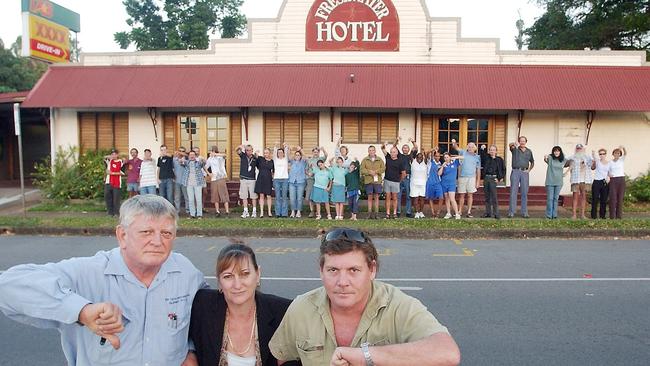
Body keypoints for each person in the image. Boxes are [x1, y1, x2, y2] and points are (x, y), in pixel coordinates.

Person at [0, 195, 207, 365]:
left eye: (166, 233)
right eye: (146, 232)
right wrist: (82, 310)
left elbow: (204, 317)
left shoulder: (186, 273)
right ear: (122, 235)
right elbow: (8, 285)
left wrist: (191, 351)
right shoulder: (89, 273)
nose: (157, 241)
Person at [268, 228, 460, 366]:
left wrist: (365, 356)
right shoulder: (302, 308)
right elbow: (282, 358)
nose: (342, 281)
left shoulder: (397, 305)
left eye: (353, 270)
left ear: (372, 270)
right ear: (321, 271)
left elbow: (447, 353)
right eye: (333, 270)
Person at [189, 243, 298, 366]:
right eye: (228, 276)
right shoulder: (202, 306)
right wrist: (189, 351)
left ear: (258, 274)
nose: (237, 285)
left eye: (244, 274)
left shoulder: (283, 312)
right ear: (219, 282)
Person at [383, 137, 418, 217]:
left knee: (408, 196)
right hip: (398, 178)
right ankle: (397, 212)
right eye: (404, 148)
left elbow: (416, 147)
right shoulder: (399, 156)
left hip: (408, 178)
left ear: (409, 149)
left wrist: (412, 141)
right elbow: (394, 147)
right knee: (398, 196)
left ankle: (408, 212)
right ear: (402, 149)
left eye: (406, 148)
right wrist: (397, 140)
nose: (405, 149)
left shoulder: (411, 155)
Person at [452, 140, 481, 218]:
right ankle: (460, 211)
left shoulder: (477, 157)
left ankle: (469, 212)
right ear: (467, 147)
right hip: (462, 177)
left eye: (472, 147)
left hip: (472, 178)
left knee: (470, 195)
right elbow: (456, 148)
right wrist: (454, 142)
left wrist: (478, 181)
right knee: (461, 195)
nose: (470, 148)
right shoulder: (463, 152)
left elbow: (478, 170)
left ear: (475, 148)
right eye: (469, 147)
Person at [508, 136, 535, 218]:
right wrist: (514, 144)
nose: (522, 142)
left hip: (524, 173)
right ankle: (512, 212)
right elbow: (510, 145)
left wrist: (529, 170)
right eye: (521, 141)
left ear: (526, 142)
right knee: (513, 192)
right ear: (519, 142)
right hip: (515, 171)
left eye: (524, 141)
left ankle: (524, 212)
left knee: (524, 192)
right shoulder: (515, 149)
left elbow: (532, 162)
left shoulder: (529, 151)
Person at [480, 144, 506, 219]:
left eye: (493, 150)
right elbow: (482, 154)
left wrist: (499, 178)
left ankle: (496, 213)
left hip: (493, 179)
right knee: (487, 197)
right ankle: (488, 213)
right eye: (490, 150)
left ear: (496, 151)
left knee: (494, 197)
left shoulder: (499, 159)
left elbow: (503, 169)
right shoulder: (486, 158)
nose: (492, 151)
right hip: (486, 178)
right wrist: (482, 148)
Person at [568, 144, 593, 219]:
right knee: (575, 197)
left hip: (585, 180)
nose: (579, 150)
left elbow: (592, 163)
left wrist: (586, 151)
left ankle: (582, 215)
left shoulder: (587, 157)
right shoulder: (572, 157)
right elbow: (565, 160)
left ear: (582, 149)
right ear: (576, 149)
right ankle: (574, 215)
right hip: (575, 180)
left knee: (583, 196)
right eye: (577, 148)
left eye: (580, 148)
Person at [360, 146, 385, 219]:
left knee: (376, 197)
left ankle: (376, 214)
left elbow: (383, 168)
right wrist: (369, 172)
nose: (371, 151)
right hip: (369, 181)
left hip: (377, 182)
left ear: (375, 151)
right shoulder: (365, 160)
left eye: (373, 150)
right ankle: (369, 214)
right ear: (368, 151)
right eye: (370, 150)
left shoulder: (379, 159)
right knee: (370, 198)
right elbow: (362, 170)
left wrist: (376, 172)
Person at [544, 146, 568, 219]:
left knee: (555, 198)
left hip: (559, 182)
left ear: (560, 152)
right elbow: (545, 158)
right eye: (555, 151)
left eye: (558, 151)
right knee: (550, 198)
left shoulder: (563, 160)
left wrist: (567, 172)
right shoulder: (550, 158)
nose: (556, 152)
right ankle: (549, 215)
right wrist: (545, 157)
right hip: (550, 181)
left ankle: (554, 215)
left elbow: (571, 163)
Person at [181, 150, 207, 219]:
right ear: (189, 156)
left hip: (198, 183)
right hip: (189, 184)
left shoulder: (198, 163)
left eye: (193, 155)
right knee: (191, 199)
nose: (192, 156)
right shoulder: (186, 163)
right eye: (190, 155)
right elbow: (181, 162)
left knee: (198, 199)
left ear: (195, 156)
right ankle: (192, 214)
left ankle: (199, 214)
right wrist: (182, 158)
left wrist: (203, 159)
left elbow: (204, 163)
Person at [383, 146, 406, 219]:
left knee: (395, 198)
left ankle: (395, 213)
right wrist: (384, 144)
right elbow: (382, 148)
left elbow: (403, 173)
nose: (392, 153)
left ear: (397, 153)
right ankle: (387, 213)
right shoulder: (388, 157)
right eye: (391, 152)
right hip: (387, 181)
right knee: (388, 197)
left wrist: (399, 180)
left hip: (396, 182)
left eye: (394, 152)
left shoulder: (400, 161)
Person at [206, 146, 230, 217]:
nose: (213, 152)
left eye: (214, 150)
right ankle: (217, 211)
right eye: (212, 150)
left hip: (221, 177)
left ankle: (227, 211)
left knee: (224, 194)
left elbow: (225, 155)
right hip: (214, 178)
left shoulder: (220, 157)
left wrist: (216, 154)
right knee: (215, 195)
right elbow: (205, 166)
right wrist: (209, 174)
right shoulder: (210, 159)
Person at [305, 146, 328, 218]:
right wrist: (308, 174)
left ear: (318, 153)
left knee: (318, 195)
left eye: (317, 152)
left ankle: (319, 212)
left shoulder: (321, 159)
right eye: (314, 152)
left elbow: (326, 155)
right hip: (311, 179)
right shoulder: (309, 160)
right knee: (310, 195)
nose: (315, 153)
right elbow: (306, 169)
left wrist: (323, 149)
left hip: (319, 180)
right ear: (312, 152)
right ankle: (312, 211)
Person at [237, 144, 258, 218]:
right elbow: (237, 150)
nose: (248, 151)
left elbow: (259, 166)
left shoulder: (255, 158)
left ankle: (254, 211)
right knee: (244, 196)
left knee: (253, 196)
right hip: (243, 179)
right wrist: (240, 147)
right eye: (247, 150)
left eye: (250, 150)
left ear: (252, 150)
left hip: (252, 179)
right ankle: (245, 211)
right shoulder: (243, 155)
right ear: (245, 151)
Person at [439, 152, 461, 220]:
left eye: (447, 157)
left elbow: (463, 157)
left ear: (449, 157)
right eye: (445, 157)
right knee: (447, 199)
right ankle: (448, 213)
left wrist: (454, 157)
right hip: (444, 183)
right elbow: (439, 174)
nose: (446, 159)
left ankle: (457, 213)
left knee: (452, 199)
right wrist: (442, 166)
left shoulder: (454, 163)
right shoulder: (444, 165)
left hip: (452, 183)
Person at [608, 146, 627, 219]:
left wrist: (622, 148)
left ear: (620, 154)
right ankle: (612, 216)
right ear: (613, 154)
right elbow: (607, 170)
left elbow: (625, 153)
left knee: (620, 198)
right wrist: (608, 174)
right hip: (613, 180)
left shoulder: (621, 160)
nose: (617, 154)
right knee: (613, 198)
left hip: (621, 180)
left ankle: (619, 216)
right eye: (615, 153)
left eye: (618, 153)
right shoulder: (610, 162)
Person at [104, 149, 124, 216]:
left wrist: (112, 173)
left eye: (115, 154)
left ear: (117, 155)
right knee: (108, 197)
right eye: (112, 154)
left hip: (117, 183)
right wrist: (110, 157)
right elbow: (104, 157)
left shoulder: (121, 161)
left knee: (116, 199)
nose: (113, 155)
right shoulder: (109, 161)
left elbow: (122, 173)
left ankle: (116, 213)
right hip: (108, 182)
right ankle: (110, 212)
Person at [288, 147, 307, 218]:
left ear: (300, 156)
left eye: (298, 155)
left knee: (299, 198)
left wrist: (300, 149)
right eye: (296, 155)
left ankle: (298, 211)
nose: (297, 156)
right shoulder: (292, 161)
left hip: (300, 182)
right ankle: (293, 211)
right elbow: (289, 156)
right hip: (292, 182)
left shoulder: (303, 162)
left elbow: (305, 157)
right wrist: (290, 149)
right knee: (292, 198)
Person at [255, 148, 275, 218]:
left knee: (269, 196)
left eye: (267, 153)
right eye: (265, 153)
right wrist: (256, 154)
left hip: (268, 180)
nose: (266, 154)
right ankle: (261, 212)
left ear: (270, 153)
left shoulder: (272, 161)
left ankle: (269, 212)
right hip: (261, 179)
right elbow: (256, 161)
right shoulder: (260, 159)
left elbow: (273, 171)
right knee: (261, 196)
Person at [591, 148, 610, 219]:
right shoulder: (597, 161)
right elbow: (593, 166)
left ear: (605, 154)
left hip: (605, 182)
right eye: (600, 154)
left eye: (603, 154)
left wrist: (609, 178)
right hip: (597, 181)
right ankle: (593, 216)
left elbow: (609, 172)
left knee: (604, 200)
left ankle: (602, 215)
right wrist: (593, 154)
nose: (602, 155)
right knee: (595, 199)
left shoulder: (609, 163)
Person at [425, 149, 444, 218]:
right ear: (434, 156)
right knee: (430, 198)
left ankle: (438, 212)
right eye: (436, 156)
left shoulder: (440, 164)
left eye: (438, 156)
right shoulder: (430, 162)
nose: (437, 157)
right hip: (430, 182)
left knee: (441, 197)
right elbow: (427, 153)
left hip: (438, 183)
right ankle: (433, 213)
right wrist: (433, 149)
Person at [273, 143, 290, 218]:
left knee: (284, 197)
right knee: (277, 197)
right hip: (276, 179)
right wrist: (276, 146)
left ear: (283, 153)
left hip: (285, 179)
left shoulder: (285, 159)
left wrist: (286, 145)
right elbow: (274, 152)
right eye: (278, 152)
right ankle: (277, 213)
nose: (280, 153)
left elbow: (287, 151)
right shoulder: (275, 159)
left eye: (281, 152)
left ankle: (284, 213)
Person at [410, 152, 428, 218]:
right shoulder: (413, 162)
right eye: (418, 157)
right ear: (416, 158)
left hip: (423, 183)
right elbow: (411, 154)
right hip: (414, 184)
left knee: (422, 198)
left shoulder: (425, 162)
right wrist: (414, 145)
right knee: (415, 199)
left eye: (421, 157)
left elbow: (426, 155)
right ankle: (416, 212)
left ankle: (421, 212)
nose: (420, 158)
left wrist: (425, 152)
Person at [173, 146, 190, 215]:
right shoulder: (174, 159)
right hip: (176, 181)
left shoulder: (187, 160)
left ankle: (188, 211)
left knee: (187, 197)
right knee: (177, 197)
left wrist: (183, 159)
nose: (181, 152)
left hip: (185, 181)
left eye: (183, 151)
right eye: (180, 151)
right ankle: (177, 211)